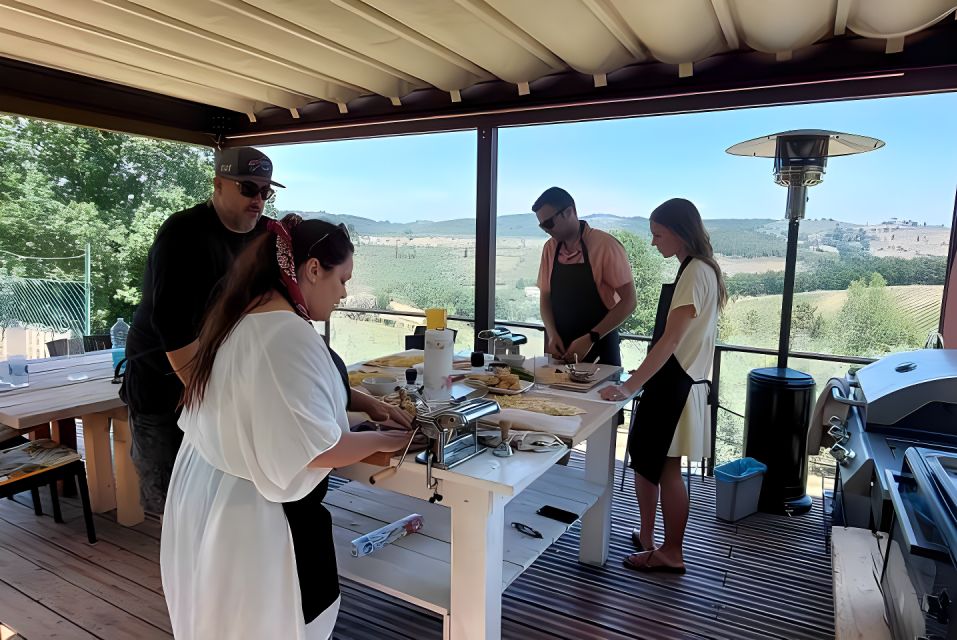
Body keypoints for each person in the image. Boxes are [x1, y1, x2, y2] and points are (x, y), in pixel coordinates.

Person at [161, 214, 413, 639]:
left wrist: (366, 407)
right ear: (313, 269)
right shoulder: (286, 333)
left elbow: (282, 406)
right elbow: (314, 449)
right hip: (250, 515)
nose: (345, 293)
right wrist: (390, 439)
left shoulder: (243, 317)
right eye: (342, 279)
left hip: (204, 489)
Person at [122, 147, 281, 514]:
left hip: (215, 382)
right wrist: (215, 399)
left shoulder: (261, 238)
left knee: (215, 501)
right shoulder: (183, 233)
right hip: (163, 384)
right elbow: (172, 328)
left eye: (265, 192)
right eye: (248, 189)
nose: (258, 200)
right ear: (219, 184)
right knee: (173, 502)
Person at [600, 198, 726, 574]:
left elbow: (670, 341)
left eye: (658, 234)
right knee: (646, 461)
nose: (654, 243)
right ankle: (647, 535)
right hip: (675, 381)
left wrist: (628, 387)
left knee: (668, 469)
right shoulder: (701, 269)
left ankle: (671, 552)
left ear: (679, 232)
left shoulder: (695, 272)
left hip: (677, 384)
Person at [534, 187, 636, 365]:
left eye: (549, 223)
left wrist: (590, 338)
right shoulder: (550, 248)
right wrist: (552, 334)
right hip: (561, 352)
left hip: (600, 350)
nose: (546, 230)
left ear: (569, 212)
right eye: (542, 226)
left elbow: (629, 302)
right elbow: (545, 297)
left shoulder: (605, 246)